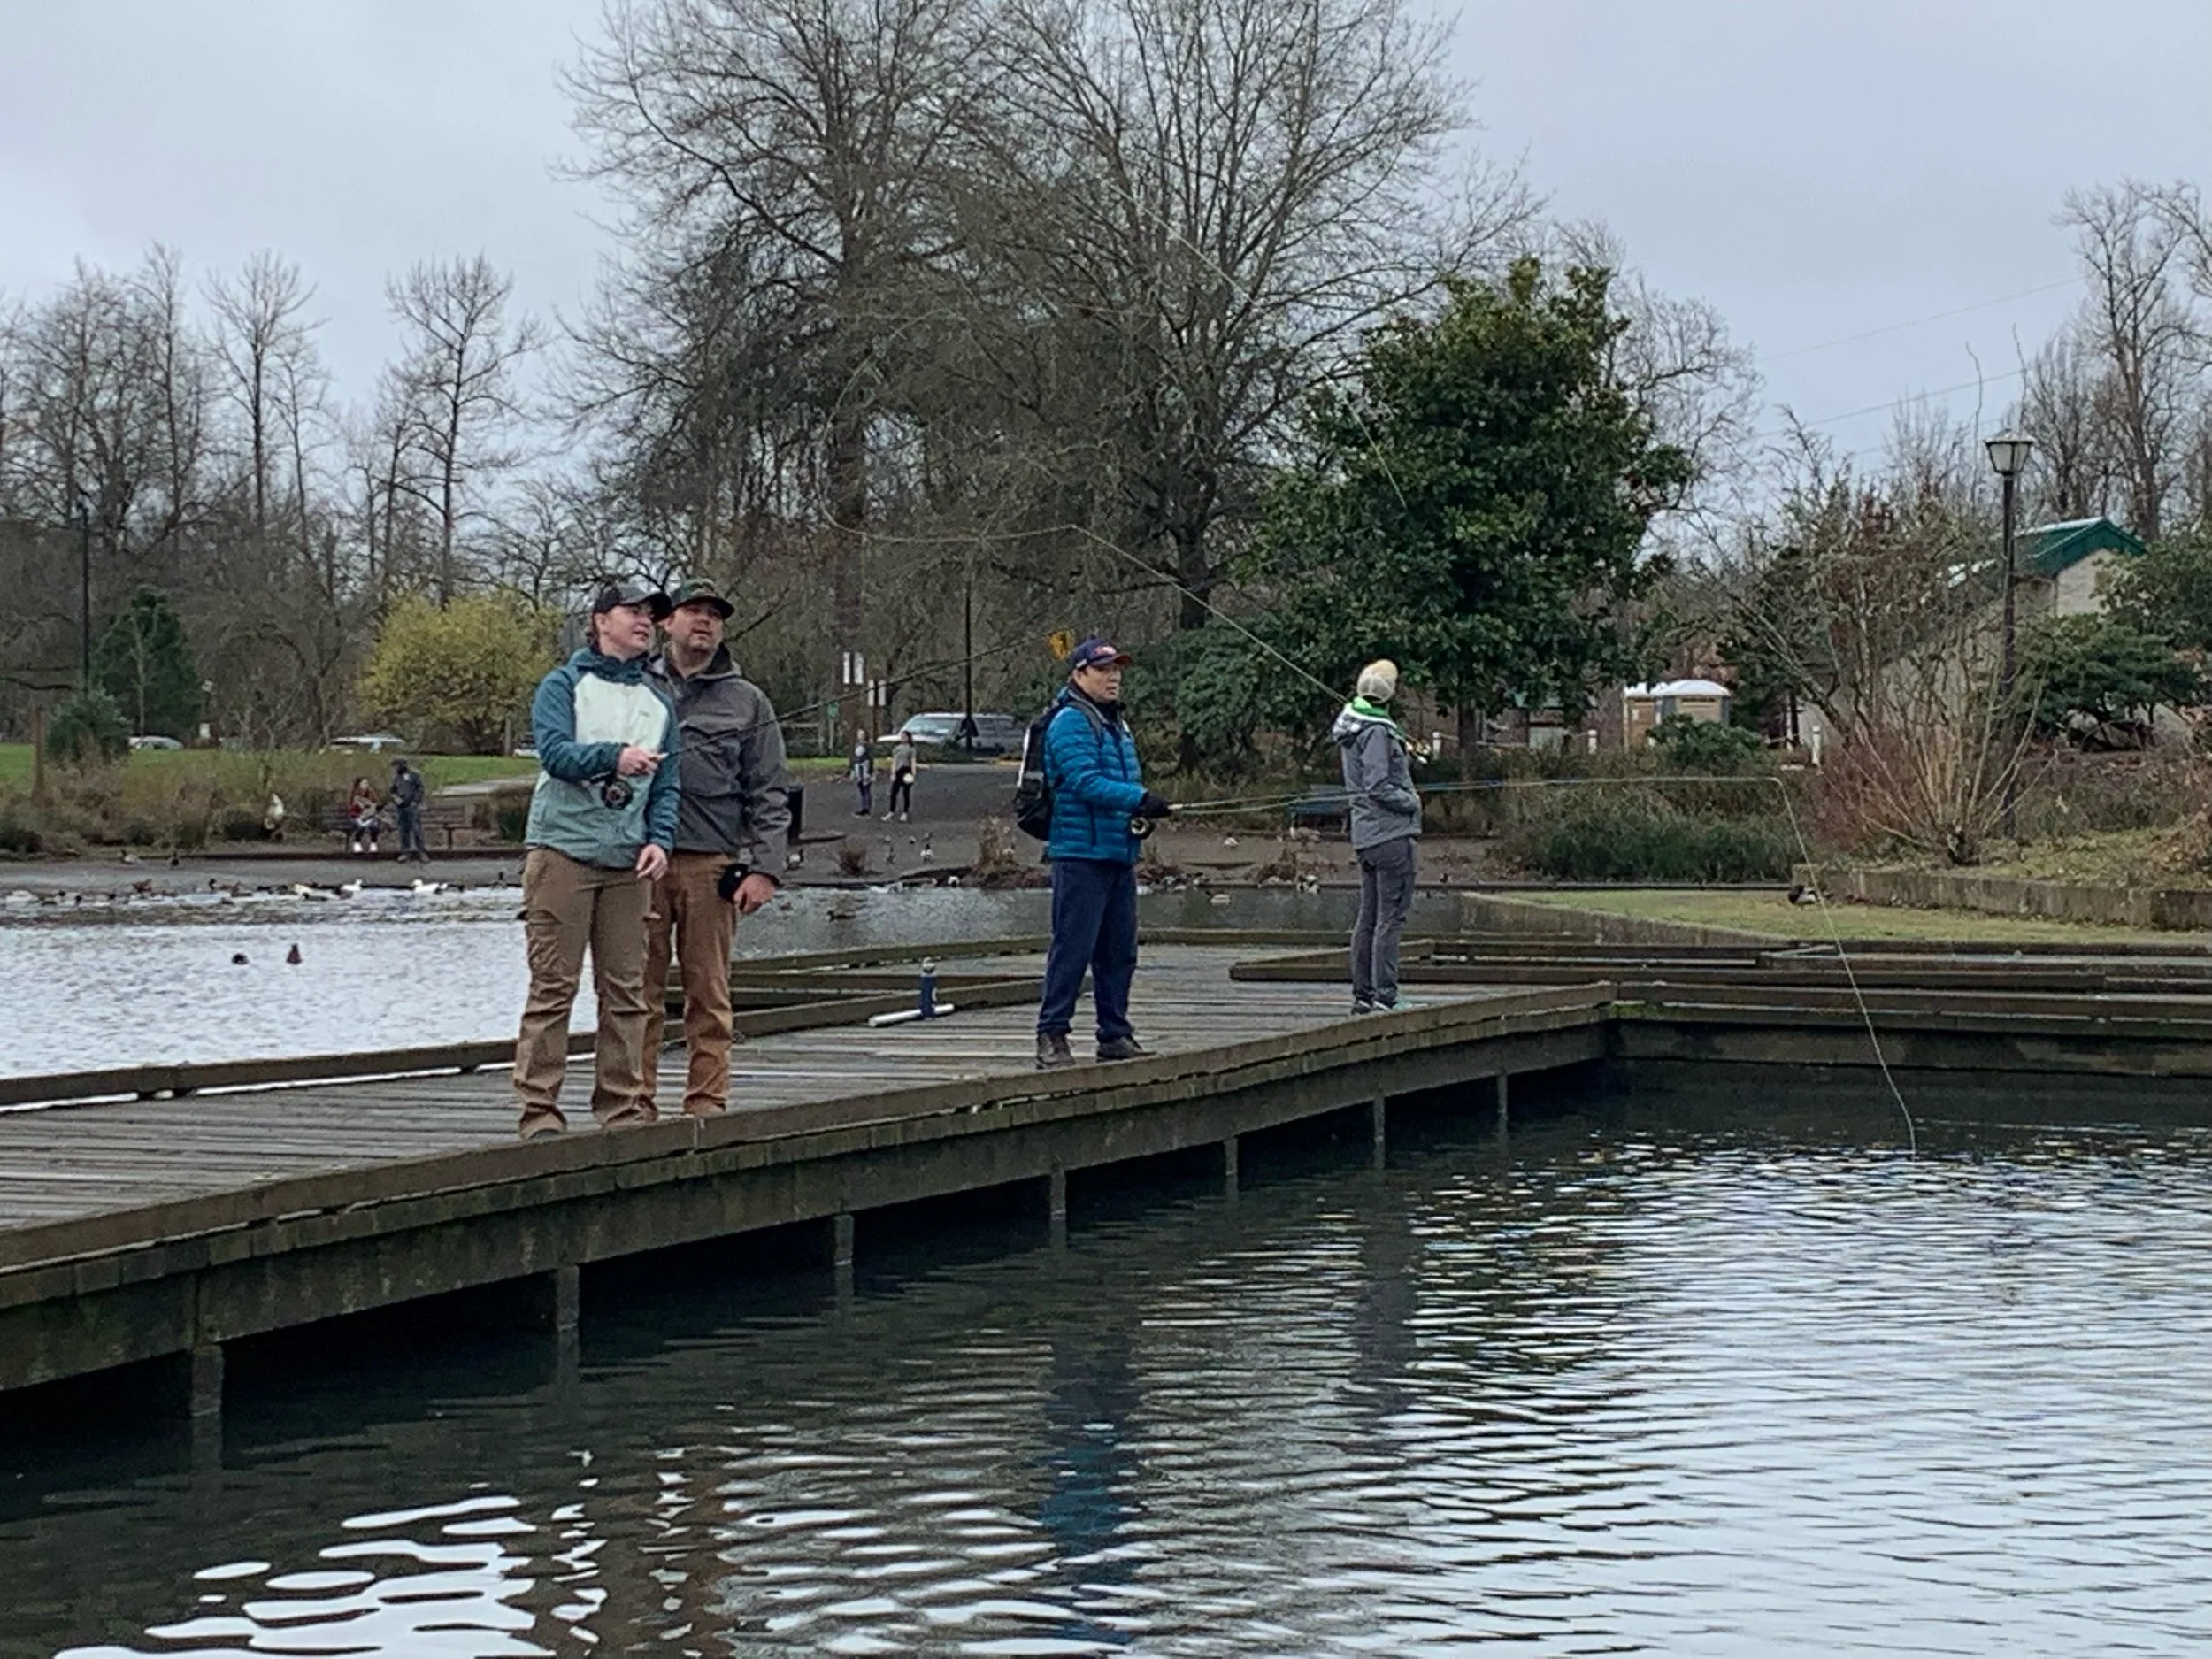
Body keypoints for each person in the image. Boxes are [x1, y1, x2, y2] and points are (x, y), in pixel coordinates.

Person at [511, 576, 681, 1140]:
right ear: (600, 621)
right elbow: (556, 753)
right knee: (554, 988)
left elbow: (669, 784)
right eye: (631, 611)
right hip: (562, 853)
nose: (643, 622)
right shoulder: (562, 685)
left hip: (629, 862)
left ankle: (623, 1110)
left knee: (628, 992)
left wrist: (660, 839)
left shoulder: (658, 703)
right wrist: (616, 757)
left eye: (650, 615)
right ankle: (539, 1113)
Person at [642, 577, 791, 1118]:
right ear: (667, 622)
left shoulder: (748, 701)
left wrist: (766, 870)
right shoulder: (636, 685)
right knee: (638, 992)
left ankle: (707, 1104)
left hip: (712, 865)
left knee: (709, 992)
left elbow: (771, 793)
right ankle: (635, 1106)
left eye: (714, 614)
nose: (704, 621)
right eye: (693, 611)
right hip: (640, 863)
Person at [1035, 637, 1174, 1069]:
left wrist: (1141, 812)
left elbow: (1115, 784)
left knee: (1119, 950)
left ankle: (1114, 1032)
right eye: (1103, 669)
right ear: (1079, 674)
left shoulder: (1116, 724)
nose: (1114, 676)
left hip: (1117, 851)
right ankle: (1051, 1034)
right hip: (1079, 854)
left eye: (1117, 669)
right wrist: (1139, 798)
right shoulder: (1069, 723)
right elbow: (1084, 782)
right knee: (1072, 947)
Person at [1333, 658, 1422, 1013]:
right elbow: (1379, 786)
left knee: (1368, 918)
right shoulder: (1377, 731)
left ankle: (1363, 996)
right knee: (1389, 918)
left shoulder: (1356, 724)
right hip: (1390, 836)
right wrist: (1412, 800)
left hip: (1366, 836)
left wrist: (1406, 756)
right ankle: (1385, 995)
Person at [389, 757, 427, 862]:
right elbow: (392, 790)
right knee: (403, 830)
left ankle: (422, 852)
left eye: (396, 765)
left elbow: (420, 789)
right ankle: (405, 852)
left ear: (402, 765)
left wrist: (415, 801)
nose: (395, 768)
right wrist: (395, 798)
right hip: (401, 807)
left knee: (417, 830)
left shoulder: (414, 775)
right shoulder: (396, 777)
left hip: (412, 806)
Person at [346, 776, 381, 855]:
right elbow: (351, 807)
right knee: (361, 827)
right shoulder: (354, 793)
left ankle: (373, 844)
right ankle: (357, 843)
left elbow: (376, 803)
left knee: (374, 826)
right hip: (356, 816)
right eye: (365, 783)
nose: (367, 785)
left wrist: (372, 796)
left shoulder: (370, 792)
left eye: (367, 783)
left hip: (369, 816)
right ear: (359, 784)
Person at [888, 729, 918, 821]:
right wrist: (893, 773)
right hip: (898, 771)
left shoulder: (911, 749)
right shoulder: (897, 749)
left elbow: (913, 761)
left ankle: (905, 813)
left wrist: (913, 773)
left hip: (907, 770)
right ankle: (891, 811)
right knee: (893, 793)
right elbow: (894, 761)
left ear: (908, 738)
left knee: (906, 793)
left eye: (904, 736)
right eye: (901, 736)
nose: (902, 738)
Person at [849, 730, 875, 817]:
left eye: (862, 734)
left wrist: (870, 771)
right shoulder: (857, 745)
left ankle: (867, 809)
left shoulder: (867, 746)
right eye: (859, 734)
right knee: (861, 788)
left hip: (865, 767)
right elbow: (855, 758)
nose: (861, 736)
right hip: (858, 768)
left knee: (866, 788)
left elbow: (871, 758)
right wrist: (853, 770)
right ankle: (863, 807)